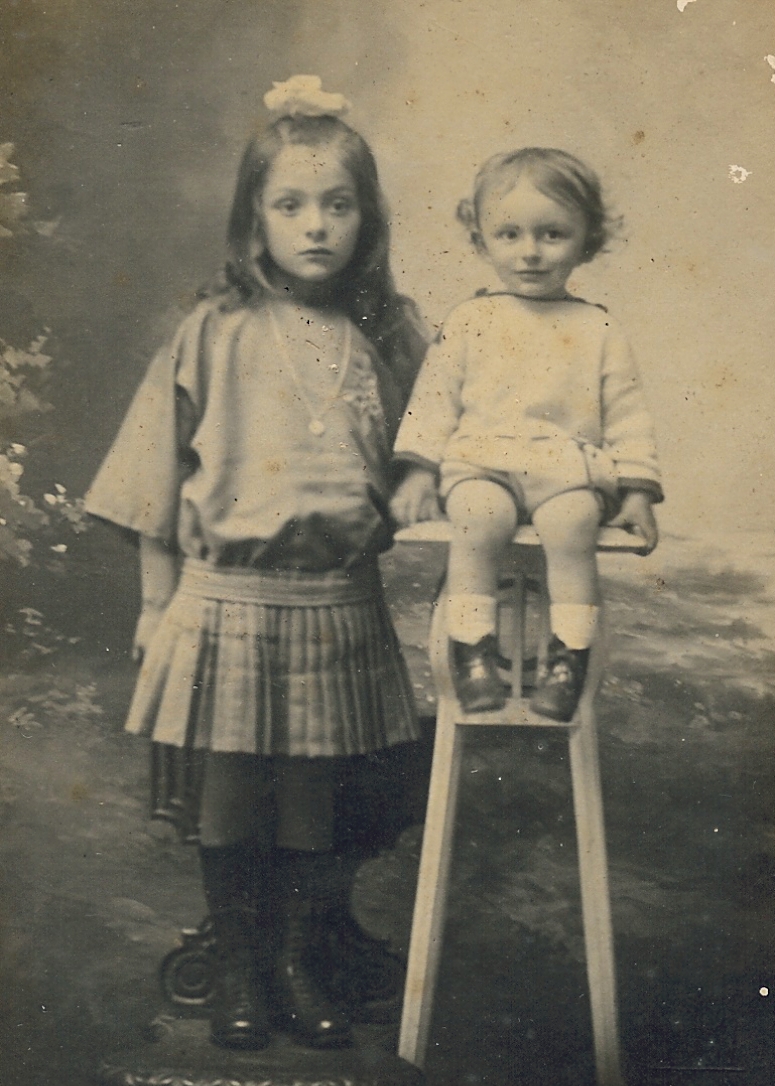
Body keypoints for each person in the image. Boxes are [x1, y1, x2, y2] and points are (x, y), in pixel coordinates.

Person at [85, 76, 427, 1052]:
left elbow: (444, 436)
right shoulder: (211, 330)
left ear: (367, 218)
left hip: (335, 604)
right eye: (290, 205)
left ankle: (295, 960)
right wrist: (154, 604)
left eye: (338, 204)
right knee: (231, 791)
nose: (315, 225)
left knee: (316, 793)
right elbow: (154, 474)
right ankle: (239, 961)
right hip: (225, 601)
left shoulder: (390, 333)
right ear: (253, 220)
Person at [391, 147, 663, 720]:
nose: (531, 252)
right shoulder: (470, 320)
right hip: (483, 464)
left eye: (553, 234)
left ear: (587, 240)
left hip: (565, 471)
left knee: (573, 522)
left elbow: (627, 415)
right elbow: (434, 401)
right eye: (509, 234)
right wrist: (417, 472)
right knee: (477, 515)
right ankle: (473, 651)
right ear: (481, 241)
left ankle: (568, 658)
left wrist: (637, 491)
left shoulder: (598, 327)